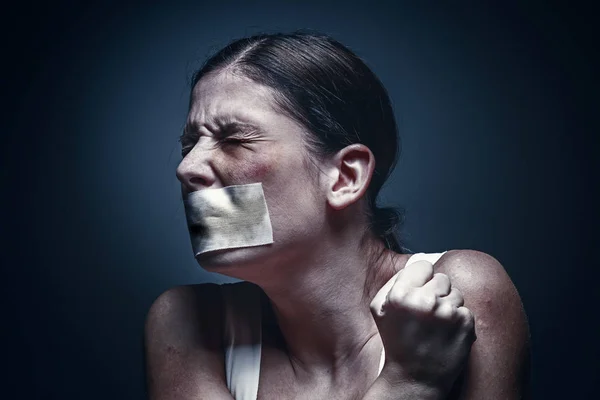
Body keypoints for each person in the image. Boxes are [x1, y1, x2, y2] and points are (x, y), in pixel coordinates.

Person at [144, 31, 530, 400]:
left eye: (234, 140)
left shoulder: (456, 289)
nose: (187, 168)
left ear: (346, 177)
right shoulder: (187, 323)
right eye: (189, 144)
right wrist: (410, 383)